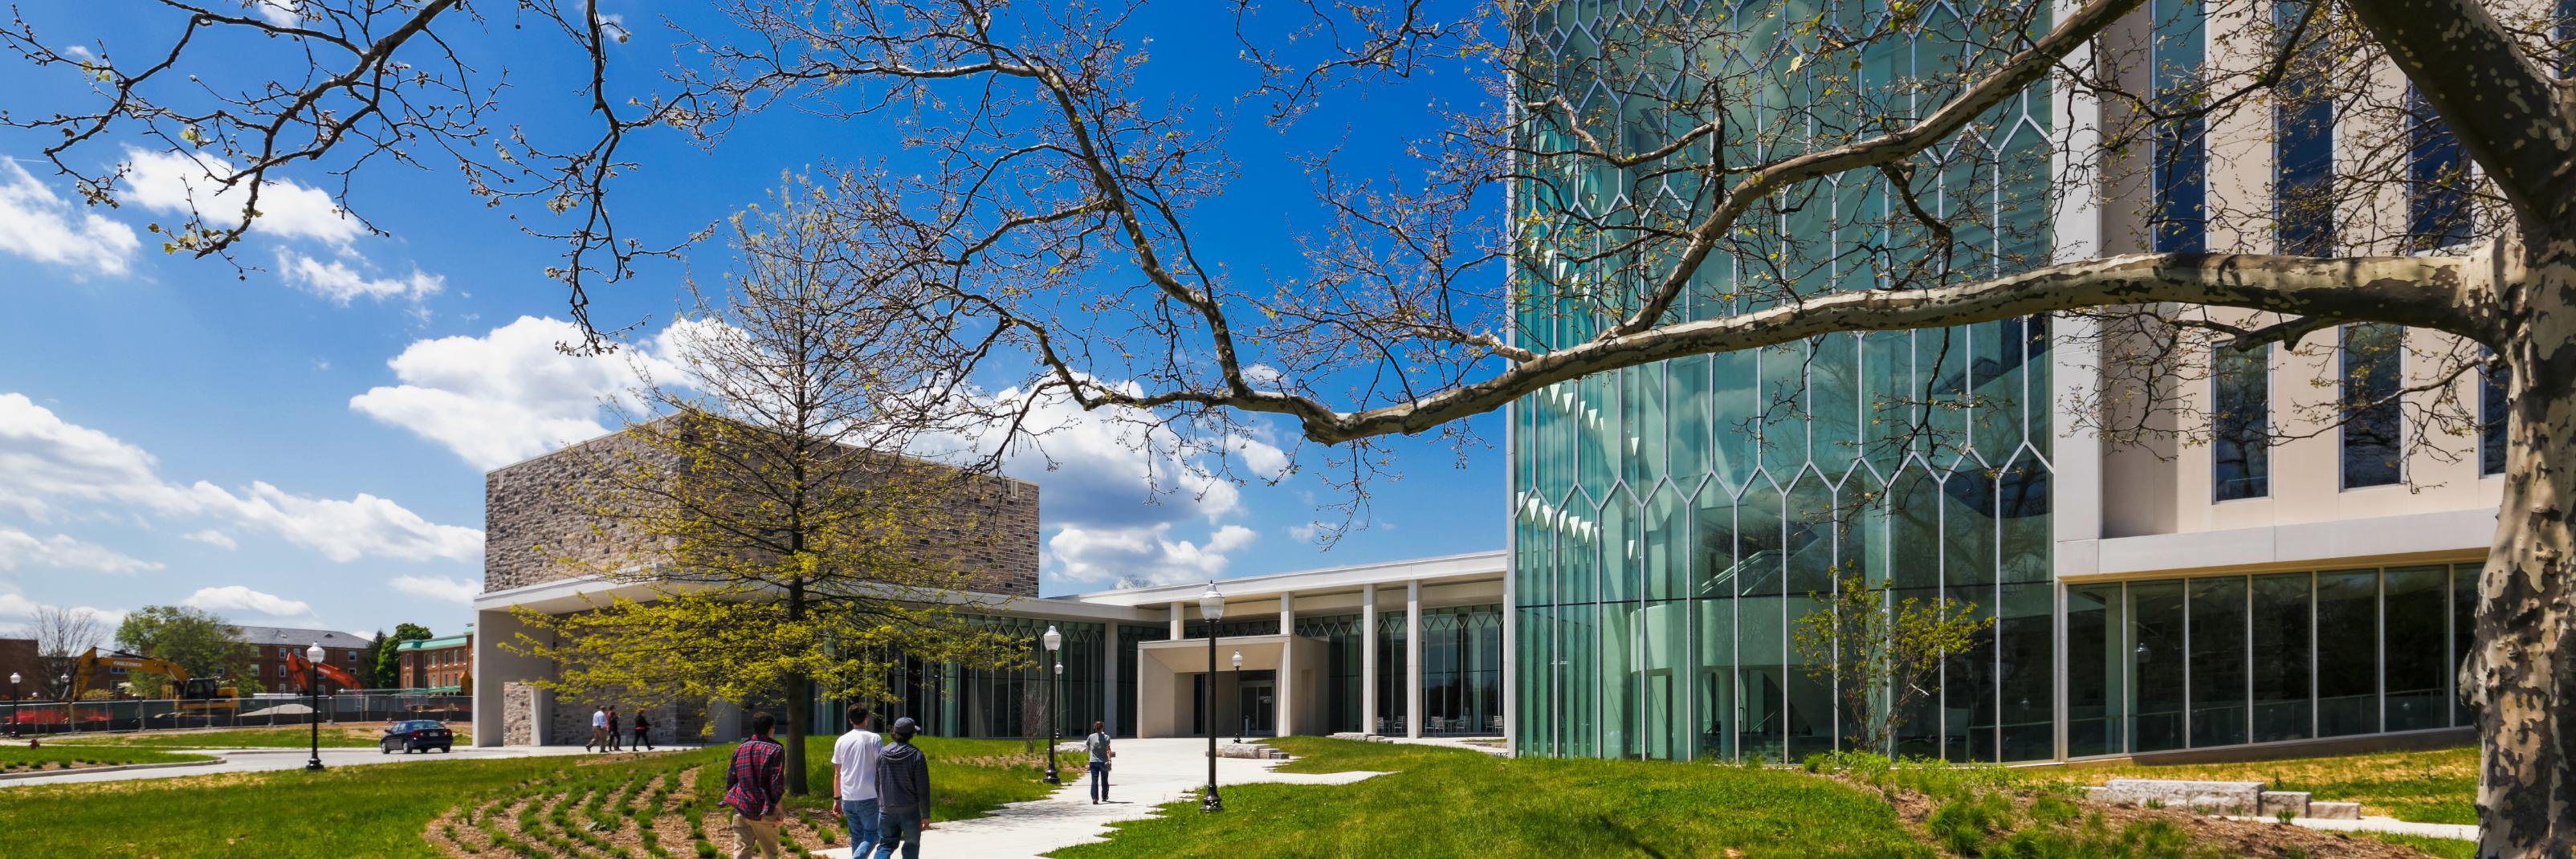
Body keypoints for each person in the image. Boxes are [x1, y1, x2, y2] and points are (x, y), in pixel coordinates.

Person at [722, 711, 788, 859]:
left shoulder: (741, 748)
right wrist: (780, 811)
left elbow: (731, 780)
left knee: (741, 853)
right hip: (764, 810)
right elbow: (776, 783)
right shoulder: (776, 749)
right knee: (769, 854)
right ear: (771, 729)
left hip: (742, 808)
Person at [828, 704, 883, 857]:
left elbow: (838, 773)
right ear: (867, 718)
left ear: (850, 720)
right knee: (873, 834)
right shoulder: (875, 739)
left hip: (848, 796)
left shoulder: (841, 740)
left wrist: (836, 798)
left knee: (856, 836)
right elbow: (882, 768)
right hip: (869, 795)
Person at [873, 717, 931, 859]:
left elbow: (877, 782)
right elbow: (922, 789)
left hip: (886, 810)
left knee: (885, 845)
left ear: (895, 732)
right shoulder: (916, 755)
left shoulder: (883, 753)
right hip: (909, 810)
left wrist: (882, 803)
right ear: (912, 734)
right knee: (911, 846)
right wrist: (926, 814)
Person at [1083, 721, 1114, 804]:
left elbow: (1087, 748)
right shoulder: (1106, 737)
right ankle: (1104, 796)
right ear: (1103, 728)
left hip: (1093, 762)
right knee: (1104, 780)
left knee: (1094, 780)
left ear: (1095, 728)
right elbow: (1108, 750)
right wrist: (1110, 760)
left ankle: (1095, 798)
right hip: (1104, 762)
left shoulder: (1091, 737)